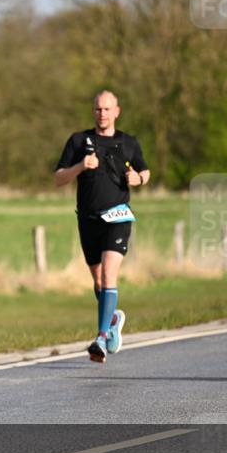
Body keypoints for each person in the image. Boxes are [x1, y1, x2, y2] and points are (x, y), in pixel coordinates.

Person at [54, 90, 150, 363]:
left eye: (107, 109)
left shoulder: (128, 142)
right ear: (93, 111)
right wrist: (80, 167)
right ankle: (114, 317)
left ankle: (100, 337)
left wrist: (138, 179)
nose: (102, 114)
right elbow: (58, 178)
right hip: (88, 219)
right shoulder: (77, 141)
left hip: (118, 215)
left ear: (116, 111)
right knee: (98, 281)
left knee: (109, 273)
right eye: (98, 109)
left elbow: (145, 170)